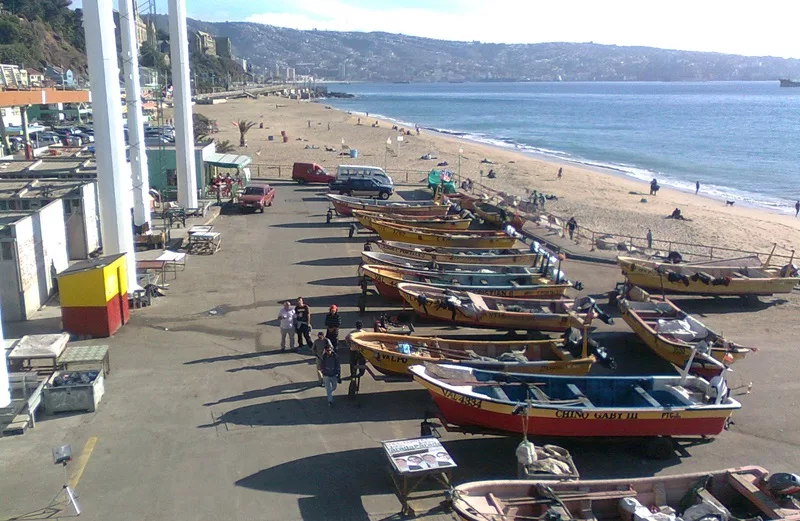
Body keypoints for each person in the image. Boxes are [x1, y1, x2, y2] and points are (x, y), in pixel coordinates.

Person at [320, 341, 341, 407]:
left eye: (329, 350)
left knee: (334, 387)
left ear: (331, 349)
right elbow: (321, 365)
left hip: (333, 375)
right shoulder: (323, 357)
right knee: (328, 389)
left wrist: (339, 375)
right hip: (326, 375)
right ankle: (330, 401)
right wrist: (323, 371)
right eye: (327, 350)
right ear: (325, 350)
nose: (328, 351)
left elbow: (338, 366)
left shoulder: (335, 356)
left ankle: (329, 393)